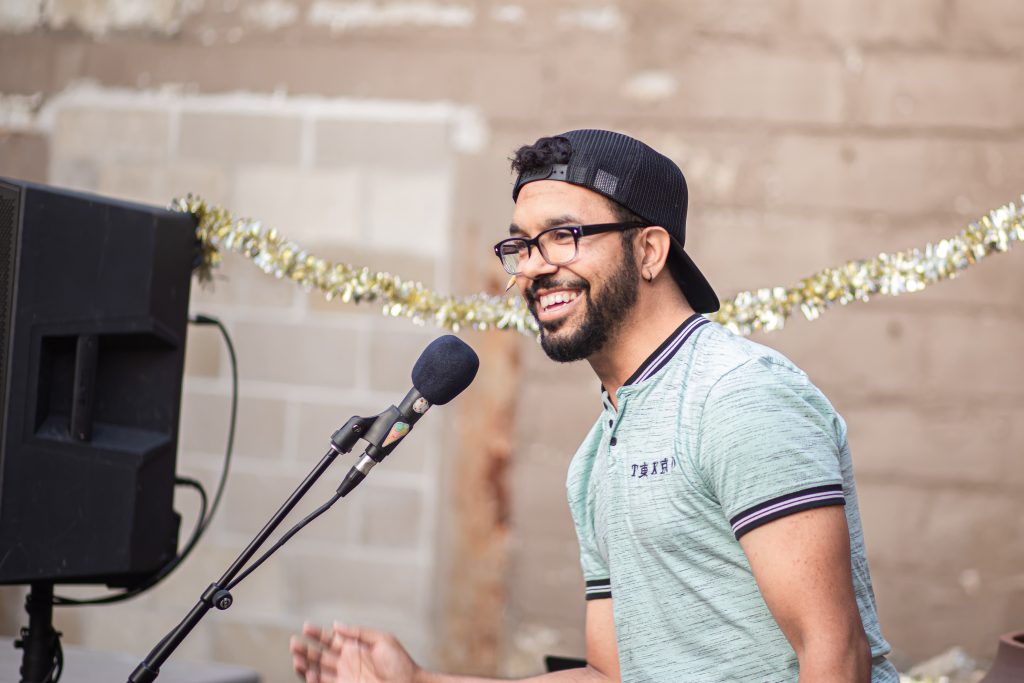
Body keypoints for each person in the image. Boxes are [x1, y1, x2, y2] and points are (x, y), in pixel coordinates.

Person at [290, 129, 899, 682]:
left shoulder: (737, 395)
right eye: (522, 246)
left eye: (563, 236)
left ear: (650, 252)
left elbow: (832, 650)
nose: (534, 267)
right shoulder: (592, 459)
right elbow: (609, 678)